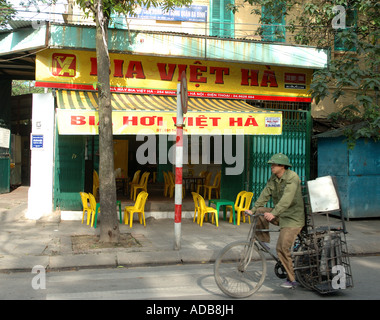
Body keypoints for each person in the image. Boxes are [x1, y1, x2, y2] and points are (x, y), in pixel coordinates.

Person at [246, 153, 305, 289]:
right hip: (280, 214)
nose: (271, 167)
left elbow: (287, 200)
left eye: (274, 165)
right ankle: (264, 241)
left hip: (293, 218)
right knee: (261, 211)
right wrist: (253, 209)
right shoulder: (274, 178)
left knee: (282, 247)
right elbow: (265, 194)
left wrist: (273, 213)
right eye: (271, 164)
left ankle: (291, 279)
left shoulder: (292, 178)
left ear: (282, 166)